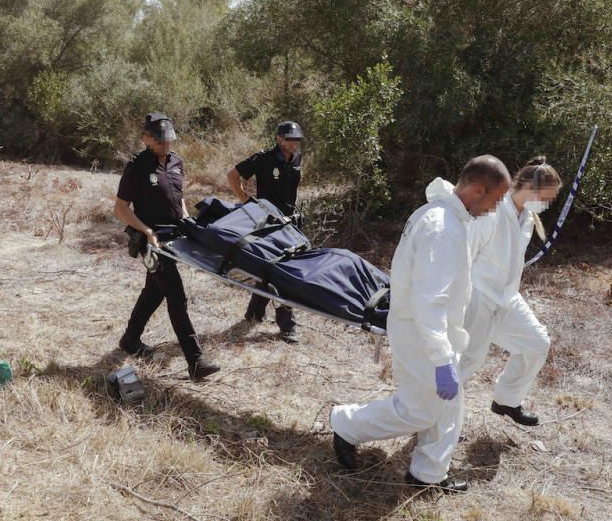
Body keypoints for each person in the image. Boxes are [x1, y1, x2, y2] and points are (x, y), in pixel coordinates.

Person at [329, 156, 511, 492]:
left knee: (447, 409)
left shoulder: (450, 219)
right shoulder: (441, 228)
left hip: (440, 333)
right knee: (419, 412)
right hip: (423, 334)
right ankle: (346, 424)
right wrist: (442, 359)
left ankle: (427, 473)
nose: (495, 208)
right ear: (476, 189)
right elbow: (431, 302)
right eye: (495, 199)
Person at [114, 113, 220, 381]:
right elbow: (120, 209)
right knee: (175, 294)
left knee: (154, 292)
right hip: (151, 242)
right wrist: (147, 232)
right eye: (159, 141)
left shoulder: (176, 162)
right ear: (146, 139)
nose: (165, 146)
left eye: (168, 141)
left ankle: (130, 340)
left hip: (175, 237)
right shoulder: (136, 167)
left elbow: (178, 199)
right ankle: (195, 360)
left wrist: (187, 222)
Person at [459, 156, 562, 425]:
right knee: (465, 362)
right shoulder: (492, 209)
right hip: (478, 296)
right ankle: (439, 422)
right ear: (530, 188)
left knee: (536, 343)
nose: (546, 205)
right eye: (546, 198)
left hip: (506, 299)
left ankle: (506, 400)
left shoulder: (526, 216)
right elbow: (465, 252)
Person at [226, 121, 305, 343]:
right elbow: (232, 175)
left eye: (297, 139)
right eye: (290, 139)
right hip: (268, 223)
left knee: (270, 267)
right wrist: (247, 203)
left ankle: (254, 313)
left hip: (289, 223)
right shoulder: (263, 158)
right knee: (282, 271)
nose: (295, 143)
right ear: (280, 139)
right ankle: (287, 325)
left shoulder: (297, 159)